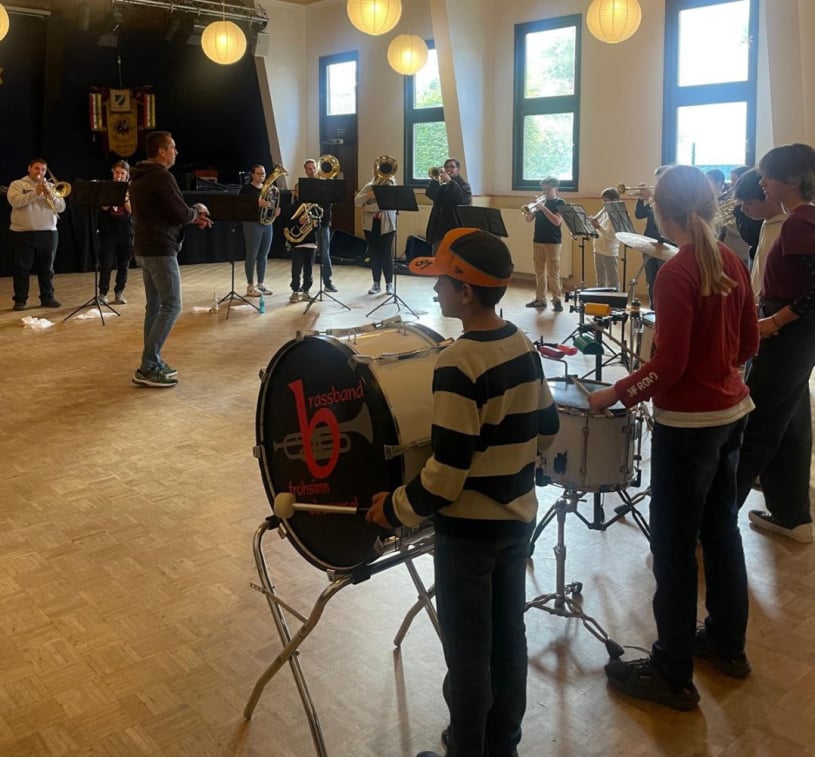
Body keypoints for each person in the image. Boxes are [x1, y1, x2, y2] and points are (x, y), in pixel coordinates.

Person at [366, 228, 559, 757]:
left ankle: (467, 748)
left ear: (466, 292)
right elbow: (547, 428)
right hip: (517, 521)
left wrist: (395, 509)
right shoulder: (521, 343)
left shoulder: (456, 363)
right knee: (508, 636)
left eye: (442, 282)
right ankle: (503, 745)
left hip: (469, 535)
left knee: (468, 651)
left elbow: (446, 475)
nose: (435, 290)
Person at [589, 165, 759, 711]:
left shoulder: (678, 272)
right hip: (732, 413)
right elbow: (749, 344)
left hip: (689, 427)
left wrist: (616, 393)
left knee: (674, 549)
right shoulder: (731, 259)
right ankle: (727, 644)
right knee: (721, 531)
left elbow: (670, 365)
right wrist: (717, 372)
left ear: (660, 214)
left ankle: (672, 672)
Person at [735, 143, 815, 543]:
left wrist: (773, 321)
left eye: (768, 176)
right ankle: (792, 515)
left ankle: (710, 522)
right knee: (792, 425)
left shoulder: (799, 223)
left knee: (754, 425)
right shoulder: (803, 218)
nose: (762, 182)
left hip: (788, 336)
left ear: (793, 180)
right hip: (798, 338)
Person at [129, 130, 212, 389]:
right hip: (160, 250)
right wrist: (197, 210)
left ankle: (152, 361)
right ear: (161, 151)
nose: (176, 152)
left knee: (154, 307)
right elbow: (179, 212)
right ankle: (148, 365)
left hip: (144, 247)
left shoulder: (138, 177)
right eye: (172, 147)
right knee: (172, 306)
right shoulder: (161, 176)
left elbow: (163, 212)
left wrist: (191, 217)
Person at [6, 157, 65, 310]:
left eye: (43, 169)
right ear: (29, 169)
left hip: (48, 233)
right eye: (37, 168)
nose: (40, 172)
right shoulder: (17, 184)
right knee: (22, 269)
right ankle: (20, 300)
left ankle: (47, 298)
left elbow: (61, 207)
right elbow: (15, 202)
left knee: (47, 269)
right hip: (22, 233)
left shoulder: (51, 186)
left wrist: (50, 195)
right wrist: (36, 193)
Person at [732, 168, 786, 303]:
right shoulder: (767, 222)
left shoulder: (785, 228)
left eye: (749, 203)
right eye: (742, 203)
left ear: (770, 197)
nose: (743, 209)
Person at [524, 176, 565, 311]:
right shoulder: (540, 203)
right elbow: (528, 220)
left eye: (548, 189)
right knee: (539, 272)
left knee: (553, 273)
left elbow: (557, 222)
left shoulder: (559, 202)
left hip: (552, 241)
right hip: (538, 239)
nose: (545, 191)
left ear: (555, 188)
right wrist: (533, 208)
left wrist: (544, 208)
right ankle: (540, 299)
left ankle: (557, 300)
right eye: (544, 189)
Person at [354, 166, 397, 295]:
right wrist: (368, 195)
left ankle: (389, 284)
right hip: (371, 225)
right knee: (374, 253)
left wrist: (368, 206)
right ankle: (376, 283)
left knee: (386, 253)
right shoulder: (369, 186)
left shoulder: (392, 187)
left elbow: (385, 205)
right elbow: (357, 201)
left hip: (387, 225)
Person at [240, 164, 280, 297]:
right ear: (252, 175)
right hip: (252, 223)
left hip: (267, 223)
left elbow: (272, 205)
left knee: (263, 255)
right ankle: (250, 285)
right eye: (259, 173)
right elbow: (243, 205)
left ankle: (261, 284)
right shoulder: (246, 189)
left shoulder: (268, 189)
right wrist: (258, 202)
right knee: (252, 255)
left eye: (263, 174)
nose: (262, 176)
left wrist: (275, 211)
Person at [98, 160, 133, 305]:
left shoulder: (131, 189)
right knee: (106, 263)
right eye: (117, 172)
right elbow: (104, 207)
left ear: (127, 175)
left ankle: (119, 292)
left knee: (123, 263)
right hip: (108, 230)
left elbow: (131, 210)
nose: (119, 176)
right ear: (113, 172)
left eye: (123, 173)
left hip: (126, 230)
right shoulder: (106, 187)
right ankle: (102, 293)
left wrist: (125, 195)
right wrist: (112, 193)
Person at [634, 165, 671, 307]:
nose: (658, 182)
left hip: (665, 243)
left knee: (664, 280)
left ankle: (662, 310)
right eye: (657, 179)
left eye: (661, 179)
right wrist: (641, 198)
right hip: (649, 242)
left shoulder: (672, 197)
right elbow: (639, 214)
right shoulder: (655, 197)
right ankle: (652, 309)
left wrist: (651, 198)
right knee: (650, 280)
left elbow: (665, 218)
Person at [301, 158, 337, 292]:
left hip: (323, 222)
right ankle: (306, 284)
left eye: (314, 168)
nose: (312, 171)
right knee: (307, 254)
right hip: (308, 224)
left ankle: (327, 282)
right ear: (305, 171)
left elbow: (331, 202)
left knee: (325, 254)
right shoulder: (303, 185)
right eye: (309, 169)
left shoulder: (325, 184)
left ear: (317, 169)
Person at [425, 158, 472, 252]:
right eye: (446, 167)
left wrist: (450, 181)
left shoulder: (464, 184)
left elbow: (461, 199)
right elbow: (431, 194)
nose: (449, 169)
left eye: (452, 167)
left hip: (455, 225)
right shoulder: (442, 185)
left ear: (458, 170)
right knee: (437, 254)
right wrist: (434, 181)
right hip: (439, 226)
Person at [285, 198, 317, 302]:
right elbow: (286, 223)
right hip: (298, 243)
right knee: (296, 269)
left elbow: (317, 225)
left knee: (309, 270)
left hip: (311, 242)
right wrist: (298, 221)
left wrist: (315, 224)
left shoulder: (314, 207)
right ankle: (295, 291)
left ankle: (306, 291)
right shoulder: (292, 207)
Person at [590, 187, 621, 290]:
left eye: (606, 201)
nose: (604, 204)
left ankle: (614, 300)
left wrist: (598, 226)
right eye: (603, 202)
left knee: (612, 282)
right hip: (598, 249)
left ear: (614, 200)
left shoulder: (617, 215)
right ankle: (600, 300)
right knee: (600, 281)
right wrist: (593, 225)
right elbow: (599, 231)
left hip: (609, 252)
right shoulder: (604, 212)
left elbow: (611, 237)